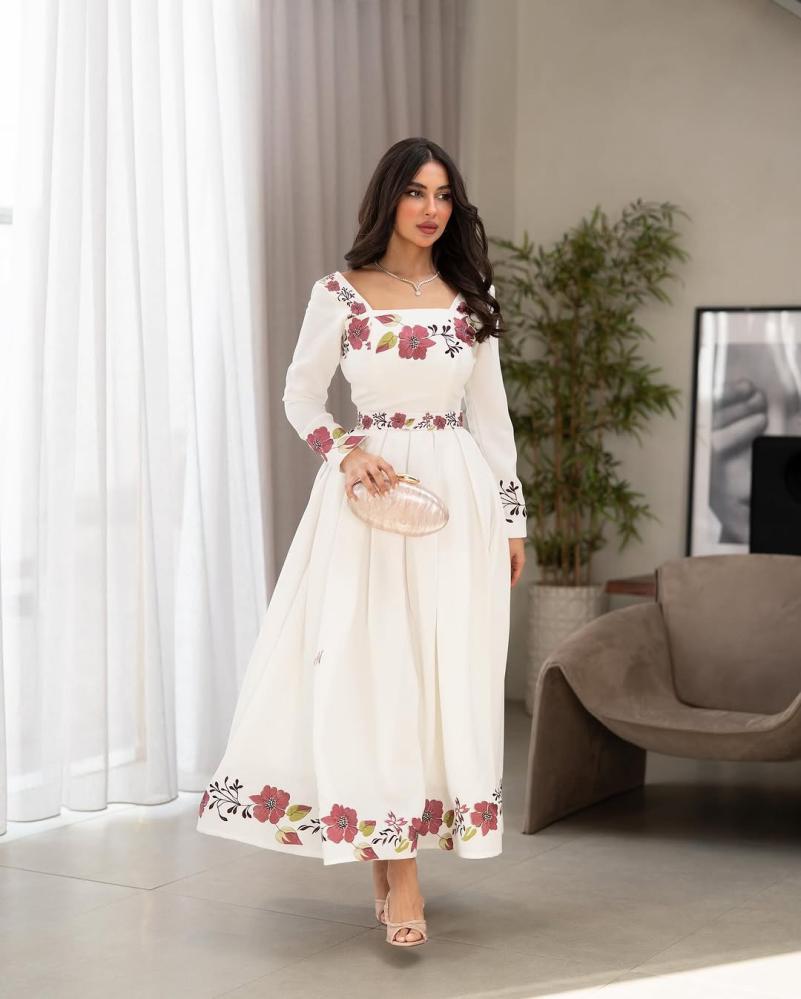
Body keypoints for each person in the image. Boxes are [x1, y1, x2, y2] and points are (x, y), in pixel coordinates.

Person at [196, 136, 528, 948]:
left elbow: (491, 419)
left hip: (458, 499)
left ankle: (390, 852)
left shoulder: (470, 298)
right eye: (415, 192)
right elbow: (300, 396)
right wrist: (346, 452)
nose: (430, 208)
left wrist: (512, 517)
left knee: (439, 675)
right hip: (368, 497)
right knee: (374, 672)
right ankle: (400, 869)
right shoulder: (339, 294)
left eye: (443, 195)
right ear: (388, 198)